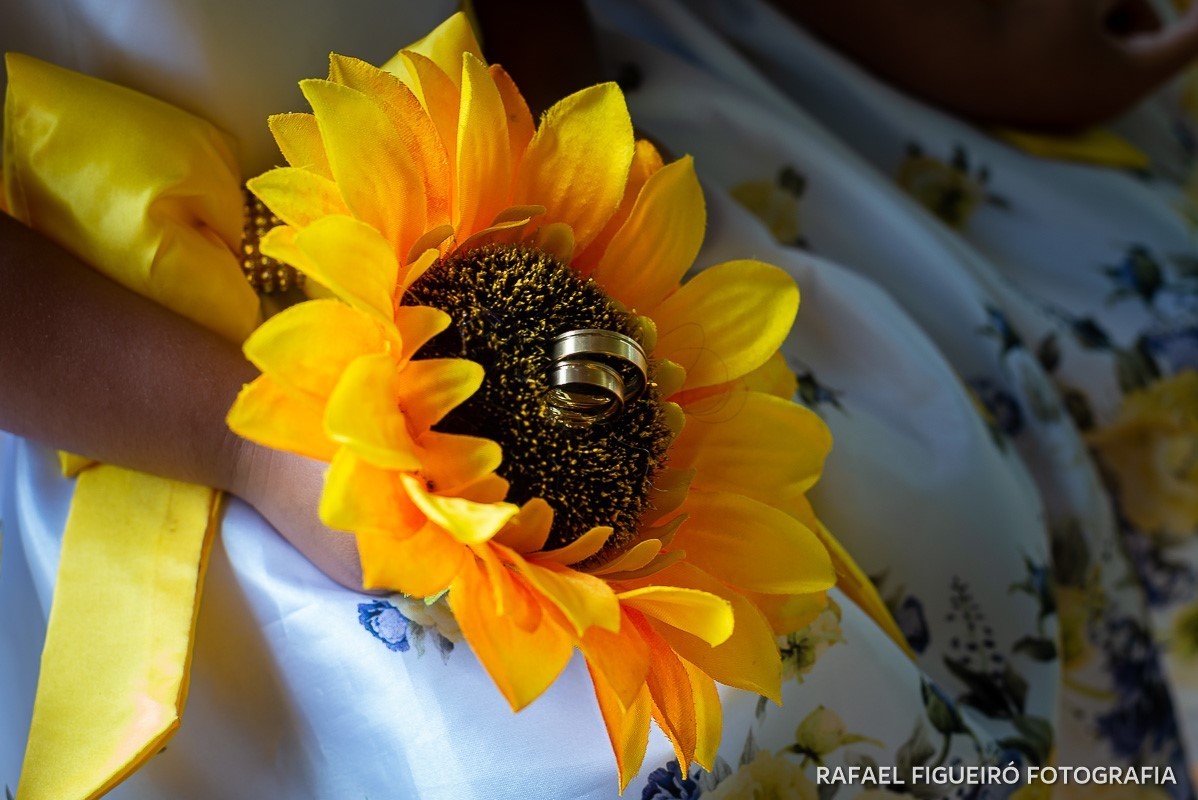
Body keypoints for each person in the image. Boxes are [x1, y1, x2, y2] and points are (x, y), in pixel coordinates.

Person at [0, 2, 1192, 799]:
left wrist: (579, 191)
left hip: (549, 186)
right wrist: (249, 442)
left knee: (939, 514)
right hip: (178, 396)